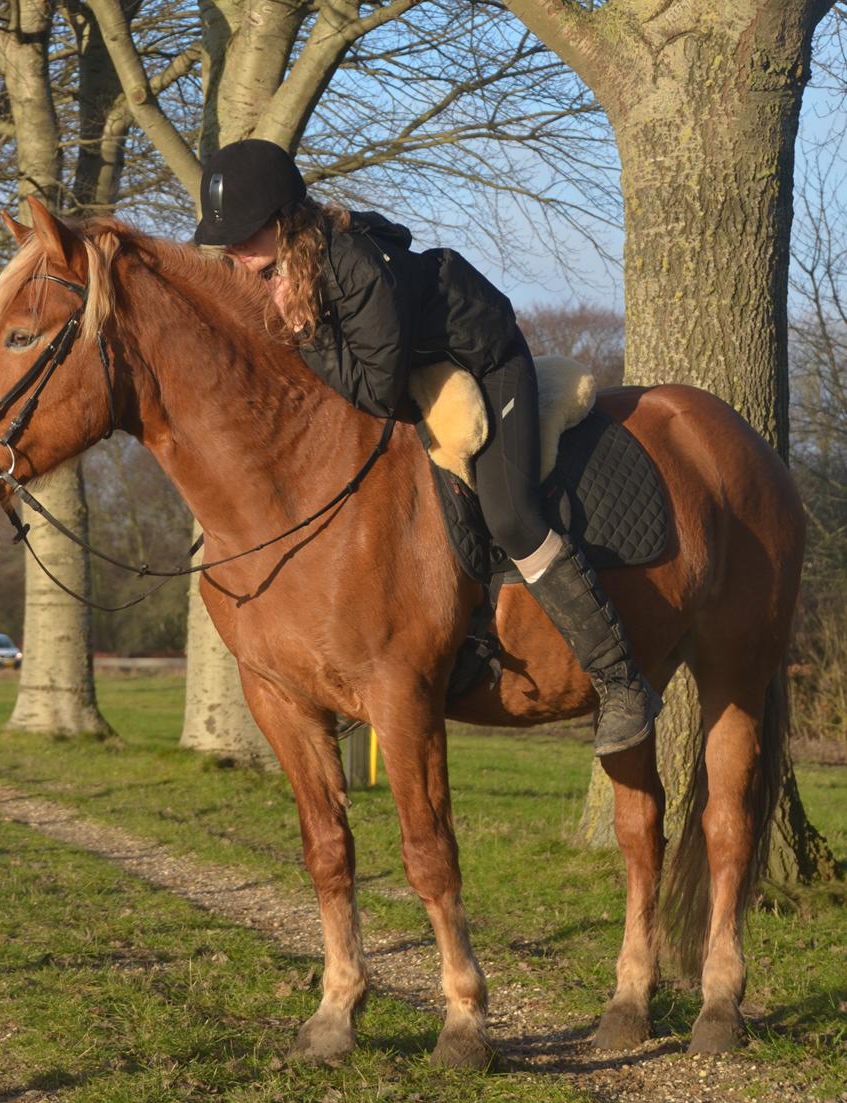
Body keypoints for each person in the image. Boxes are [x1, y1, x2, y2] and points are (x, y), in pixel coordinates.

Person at [194, 138, 660, 755]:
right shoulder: (274, 266)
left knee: (512, 514)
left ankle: (621, 680)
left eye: (244, 234)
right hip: (417, 370)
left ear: (282, 223)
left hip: (487, 362)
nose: (231, 248)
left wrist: (304, 333)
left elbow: (377, 391)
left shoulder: (353, 266)